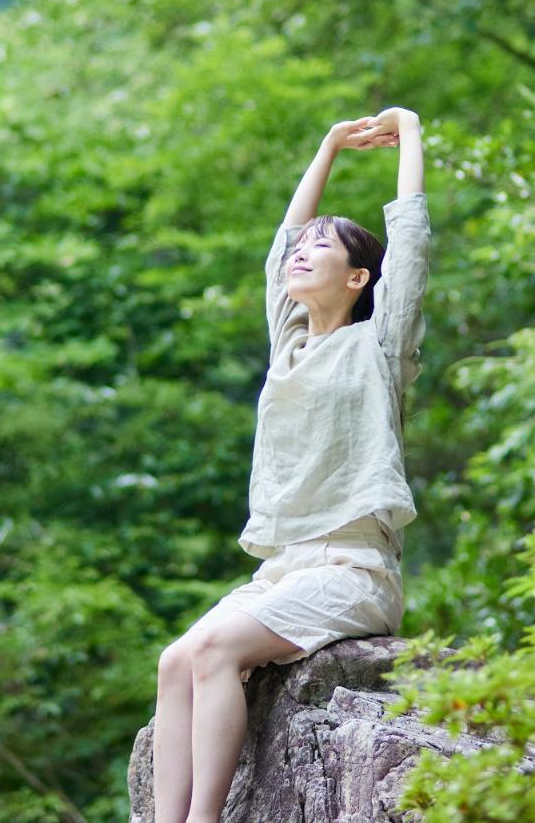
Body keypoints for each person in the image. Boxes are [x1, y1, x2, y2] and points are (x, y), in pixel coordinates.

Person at [151, 106, 431, 823]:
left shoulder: (378, 347)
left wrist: (411, 132)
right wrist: (329, 142)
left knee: (214, 649)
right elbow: (279, 246)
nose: (302, 251)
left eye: (322, 246)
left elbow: (412, 244)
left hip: (351, 570)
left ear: (359, 275)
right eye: (301, 245)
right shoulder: (293, 343)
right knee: (176, 659)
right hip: (282, 569)